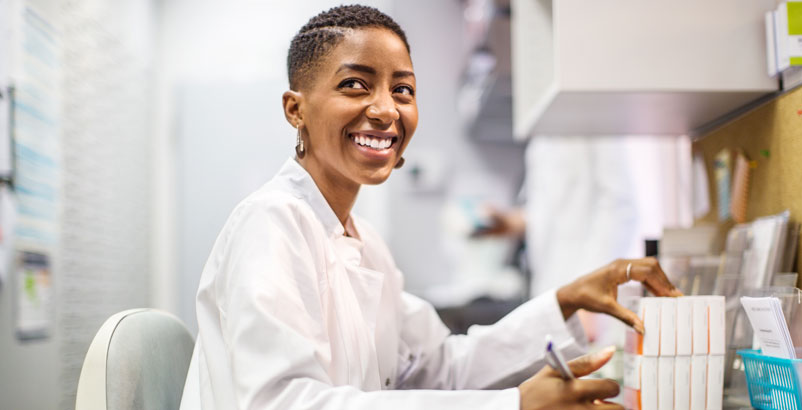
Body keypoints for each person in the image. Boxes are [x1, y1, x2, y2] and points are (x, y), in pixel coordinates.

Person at [179, 5, 681, 410]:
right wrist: (515, 405)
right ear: (297, 109)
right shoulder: (271, 223)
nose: (385, 109)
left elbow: (444, 367)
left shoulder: (363, 242)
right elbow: (283, 402)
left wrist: (566, 300)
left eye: (403, 89)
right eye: (356, 84)